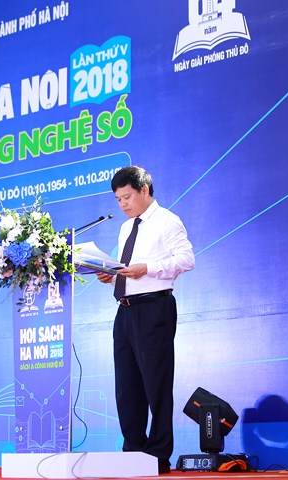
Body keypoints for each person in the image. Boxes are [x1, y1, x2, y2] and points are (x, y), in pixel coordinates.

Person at [96, 166, 195, 474]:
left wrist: (147, 268)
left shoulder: (167, 220)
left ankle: (158, 455)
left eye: (127, 197)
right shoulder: (126, 228)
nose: (123, 204)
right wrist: (111, 276)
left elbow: (186, 259)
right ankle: (133, 450)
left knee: (156, 383)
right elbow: (128, 272)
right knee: (127, 386)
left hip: (154, 308)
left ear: (144, 190)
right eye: (118, 199)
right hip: (125, 310)